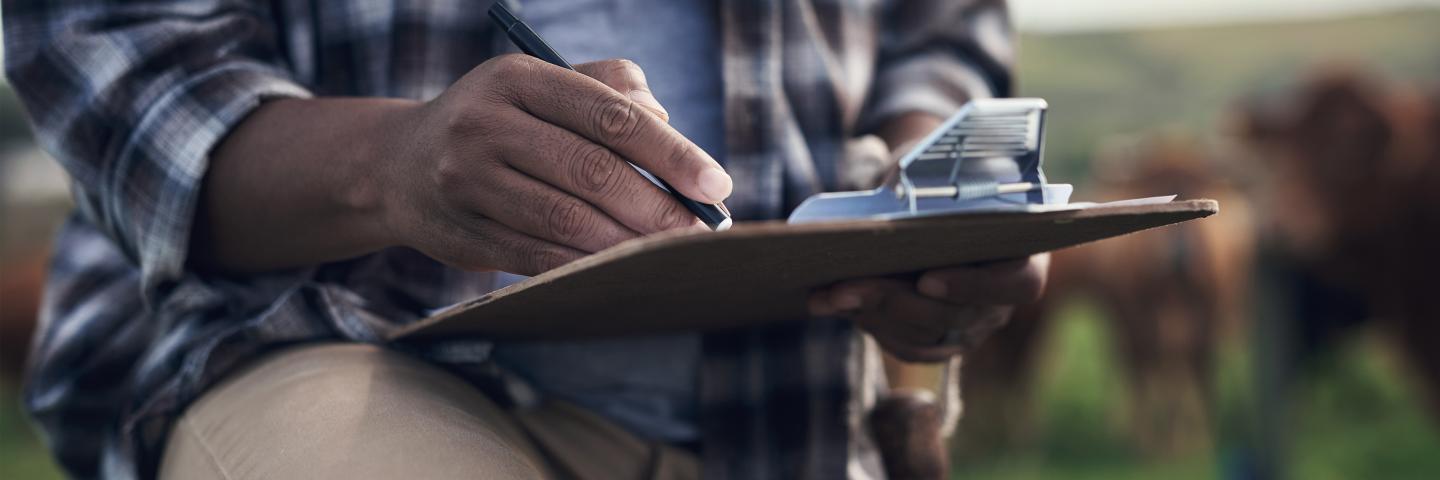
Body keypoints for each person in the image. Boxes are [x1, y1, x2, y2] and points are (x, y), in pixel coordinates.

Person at [4, 0, 1044, 478]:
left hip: (795, 403)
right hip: (332, 348)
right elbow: (117, 54)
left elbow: (939, 33)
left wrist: (936, 197)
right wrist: (388, 160)